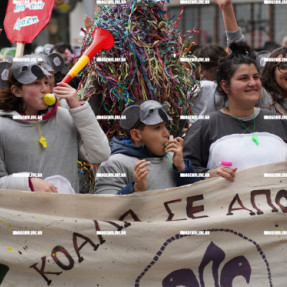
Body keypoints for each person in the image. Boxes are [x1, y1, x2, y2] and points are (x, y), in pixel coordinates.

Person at [0, 58, 110, 193]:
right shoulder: (2, 126)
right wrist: (27, 182)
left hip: (65, 212)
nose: (45, 89)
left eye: (46, 82)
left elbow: (100, 154)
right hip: (22, 213)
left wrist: (78, 109)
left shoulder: (66, 118)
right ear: (17, 91)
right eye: (36, 83)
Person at [183, 42, 287, 182]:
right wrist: (209, 174)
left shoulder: (279, 121)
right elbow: (183, 173)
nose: (252, 83)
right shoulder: (204, 126)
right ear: (225, 86)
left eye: (256, 77)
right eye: (243, 78)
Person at [94, 100, 200, 195]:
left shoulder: (173, 158)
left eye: (165, 126)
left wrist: (182, 168)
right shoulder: (114, 164)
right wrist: (135, 189)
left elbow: (196, 197)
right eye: (157, 128)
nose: (166, 133)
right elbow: (104, 207)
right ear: (136, 135)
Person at [217, 0, 287, 114]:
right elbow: (239, 51)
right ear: (271, 71)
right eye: (284, 66)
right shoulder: (263, 96)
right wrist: (226, 8)